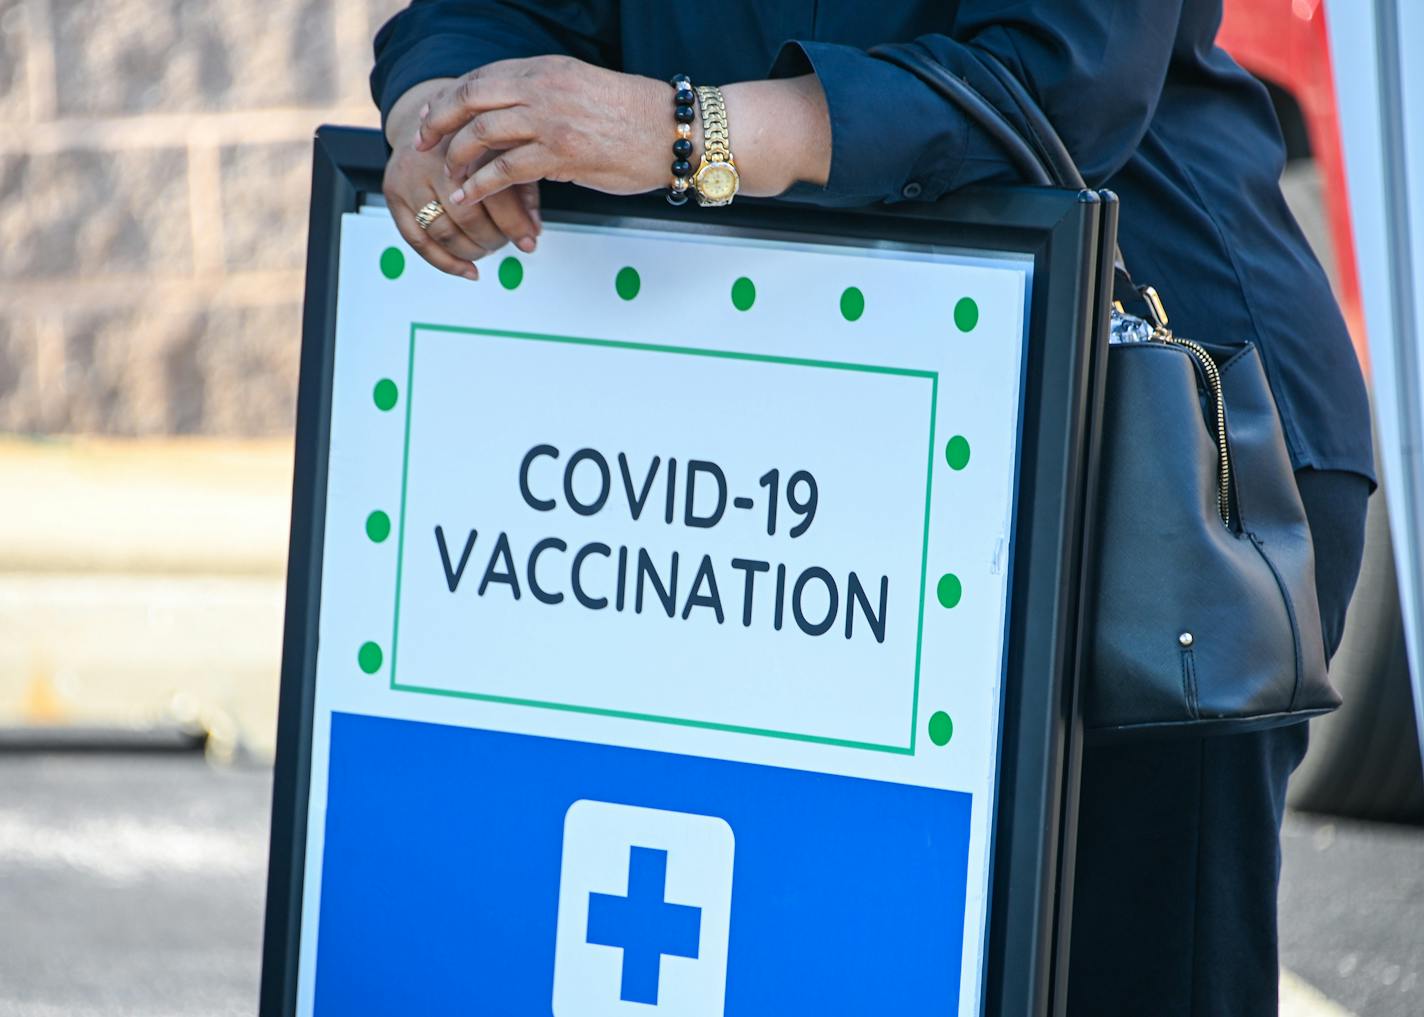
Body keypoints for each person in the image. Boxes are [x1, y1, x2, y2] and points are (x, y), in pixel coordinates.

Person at [371, 3, 1375, 1013]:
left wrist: (685, 132)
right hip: (745, 453)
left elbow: (1065, 74)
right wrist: (442, 125)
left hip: (1127, 447)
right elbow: (477, 14)